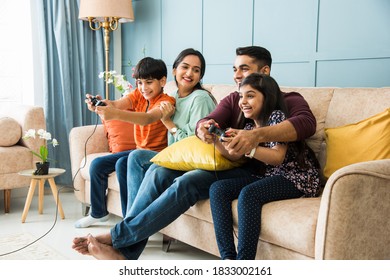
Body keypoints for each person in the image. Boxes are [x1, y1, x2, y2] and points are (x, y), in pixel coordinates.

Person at [72, 46, 317, 260]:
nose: (237, 76)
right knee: (157, 170)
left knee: (186, 182)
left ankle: (118, 238)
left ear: (264, 72)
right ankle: (126, 252)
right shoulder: (235, 99)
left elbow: (306, 124)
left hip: (250, 171)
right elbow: (208, 120)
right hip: (229, 161)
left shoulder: (288, 100)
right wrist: (204, 129)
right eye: (234, 70)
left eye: (244, 69)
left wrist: (254, 137)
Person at [209, 73, 320, 260]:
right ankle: (227, 258)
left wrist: (249, 146)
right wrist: (216, 140)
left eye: (250, 96)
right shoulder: (250, 127)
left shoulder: (277, 117)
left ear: (267, 98)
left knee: (249, 194)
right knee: (217, 189)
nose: (243, 101)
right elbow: (233, 155)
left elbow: (277, 157)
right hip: (271, 175)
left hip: (297, 176)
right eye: (241, 96)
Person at [74, 57, 175, 228]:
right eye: (139, 83)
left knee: (123, 164)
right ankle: (98, 213)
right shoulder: (138, 95)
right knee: (97, 164)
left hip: (156, 154)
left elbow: (147, 119)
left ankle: (129, 221)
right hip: (138, 151)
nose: (143, 88)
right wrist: (102, 104)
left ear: (163, 81)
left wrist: (113, 114)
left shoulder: (166, 102)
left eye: (149, 82)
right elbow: (117, 104)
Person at [118, 48, 216, 217]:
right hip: (172, 157)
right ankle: (129, 224)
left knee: (136, 157)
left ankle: (128, 227)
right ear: (174, 71)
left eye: (196, 70)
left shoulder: (200, 99)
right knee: (126, 161)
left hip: (190, 162)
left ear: (200, 76)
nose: (189, 73)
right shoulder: (172, 96)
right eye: (184, 67)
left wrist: (168, 122)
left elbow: (195, 145)